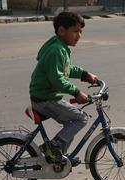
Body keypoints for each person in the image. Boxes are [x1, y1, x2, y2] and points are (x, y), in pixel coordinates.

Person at [29, 11, 98, 164]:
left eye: (81, 31)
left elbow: (66, 69)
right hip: (45, 99)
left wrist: (84, 74)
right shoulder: (56, 50)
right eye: (75, 31)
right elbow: (57, 80)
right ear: (61, 31)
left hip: (46, 97)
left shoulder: (60, 47)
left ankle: (59, 156)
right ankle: (52, 148)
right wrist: (76, 92)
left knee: (72, 121)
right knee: (80, 118)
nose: (79, 36)